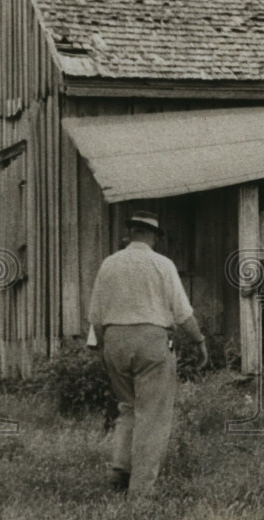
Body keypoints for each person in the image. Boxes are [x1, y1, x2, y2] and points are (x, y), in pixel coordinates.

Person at [88, 210, 208, 498]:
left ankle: (119, 469)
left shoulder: (109, 264)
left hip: (114, 338)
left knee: (127, 407)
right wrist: (199, 340)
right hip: (151, 338)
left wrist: (104, 347)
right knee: (152, 415)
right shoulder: (161, 264)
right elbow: (182, 312)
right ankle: (141, 491)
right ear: (153, 236)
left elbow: (95, 315)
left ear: (130, 234)